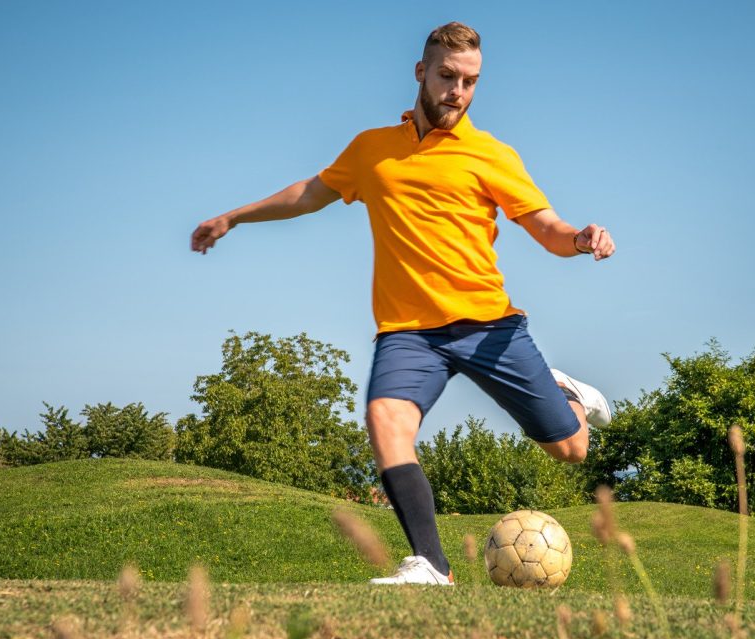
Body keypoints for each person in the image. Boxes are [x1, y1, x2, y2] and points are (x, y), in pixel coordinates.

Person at [191, 21, 615, 586]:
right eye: (447, 76)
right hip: (409, 331)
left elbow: (546, 228)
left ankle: (566, 394)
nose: (457, 91)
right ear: (421, 72)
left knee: (571, 449)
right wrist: (234, 216)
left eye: (470, 81)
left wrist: (580, 239)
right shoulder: (372, 150)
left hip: (488, 325)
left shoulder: (492, 155)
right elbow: (309, 194)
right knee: (385, 418)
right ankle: (431, 566)